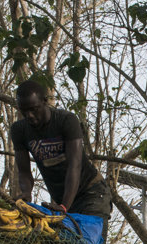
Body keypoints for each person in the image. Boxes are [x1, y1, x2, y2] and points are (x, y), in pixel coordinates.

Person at [11, 80, 114, 226]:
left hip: (92, 193)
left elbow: (75, 165)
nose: (30, 116)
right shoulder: (19, 130)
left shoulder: (65, 120)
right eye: (24, 111)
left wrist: (64, 206)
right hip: (62, 201)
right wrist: (26, 194)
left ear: (45, 102)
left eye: (34, 109)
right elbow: (24, 171)